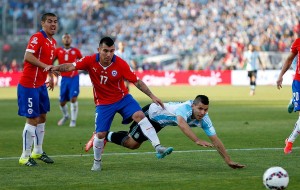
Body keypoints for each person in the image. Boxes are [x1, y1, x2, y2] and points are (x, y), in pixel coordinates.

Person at [44, 36, 173, 171]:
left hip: (123, 98)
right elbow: (71, 66)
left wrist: (152, 96)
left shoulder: (120, 63)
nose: (109, 54)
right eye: (105, 51)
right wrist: (56, 67)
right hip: (103, 103)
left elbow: (137, 81)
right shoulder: (89, 60)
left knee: (140, 115)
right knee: (100, 134)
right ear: (99, 49)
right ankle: (97, 162)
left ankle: (158, 147)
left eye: (112, 51)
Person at [88, 95, 245, 169]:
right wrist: (197, 140)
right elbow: (182, 124)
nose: (203, 112)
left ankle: (105, 135)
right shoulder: (183, 109)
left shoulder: (205, 118)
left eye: (205, 110)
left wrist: (228, 160)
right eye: (200, 109)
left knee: (133, 144)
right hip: (150, 115)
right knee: (131, 143)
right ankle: (103, 135)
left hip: (159, 123)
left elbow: (215, 139)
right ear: (193, 106)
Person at [17, 13, 58, 166]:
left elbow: (47, 63)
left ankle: (38, 151)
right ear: (42, 23)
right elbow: (27, 56)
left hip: (40, 85)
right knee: (32, 119)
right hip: (29, 85)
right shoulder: (37, 37)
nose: (53, 24)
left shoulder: (53, 42)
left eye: (55, 22)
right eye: (49, 21)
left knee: (42, 117)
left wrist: (51, 76)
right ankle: (25, 156)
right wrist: (45, 67)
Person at [276, 37, 300, 154]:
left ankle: (289, 141)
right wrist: (280, 75)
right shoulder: (298, 42)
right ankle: (289, 142)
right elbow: (289, 59)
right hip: (299, 83)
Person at [54, 33, 83, 127]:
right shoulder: (58, 51)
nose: (67, 39)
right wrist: (53, 72)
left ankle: (73, 120)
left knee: (73, 98)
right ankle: (66, 116)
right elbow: (50, 62)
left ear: (71, 40)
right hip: (64, 79)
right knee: (62, 102)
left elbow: (82, 61)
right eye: (65, 38)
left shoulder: (76, 51)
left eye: (68, 38)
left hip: (74, 77)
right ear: (62, 40)